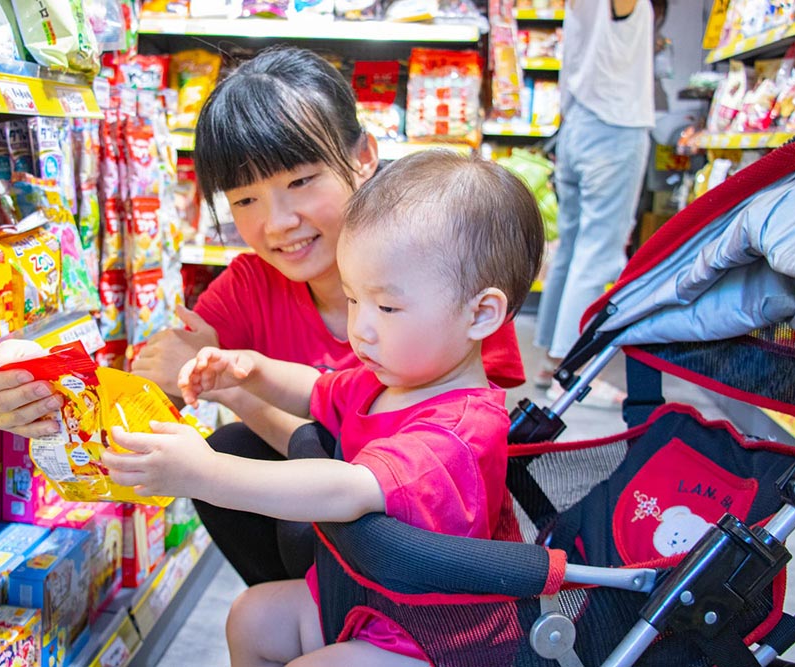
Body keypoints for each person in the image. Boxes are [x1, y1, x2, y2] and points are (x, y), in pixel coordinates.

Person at [0, 46, 527, 586]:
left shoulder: (454, 286)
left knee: (259, 466)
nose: (277, 222)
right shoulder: (248, 287)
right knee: (238, 460)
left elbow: (439, 465)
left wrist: (238, 398)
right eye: (245, 200)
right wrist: (38, 394)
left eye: (300, 181)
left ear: (363, 157)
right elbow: (141, 394)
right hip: (331, 584)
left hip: (435, 578)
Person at [102, 150, 545, 667]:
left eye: (387, 306)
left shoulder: (458, 432)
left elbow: (345, 488)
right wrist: (253, 370)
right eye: (355, 299)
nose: (362, 327)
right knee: (254, 615)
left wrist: (205, 472)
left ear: (482, 313)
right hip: (368, 596)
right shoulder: (389, 380)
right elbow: (317, 390)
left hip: (437, 636)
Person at [533, 0, 657, 407]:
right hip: (614, 126)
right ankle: (571, 372)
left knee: (571, 247)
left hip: (577, 124)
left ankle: (553, 359)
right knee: (598, 251)